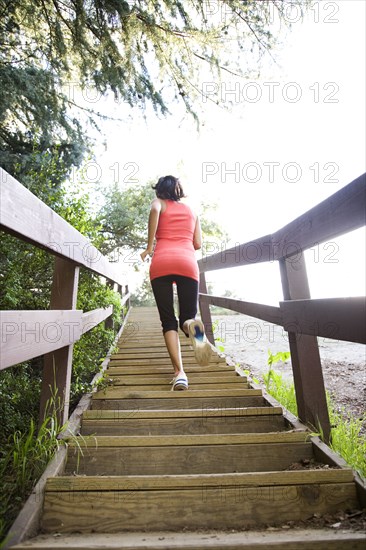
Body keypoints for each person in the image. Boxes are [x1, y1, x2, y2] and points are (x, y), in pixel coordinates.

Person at [140, 175, 212, 390]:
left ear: (159, 190)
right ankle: (192, 327)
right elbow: (197, 244)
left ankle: (180, 373)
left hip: (162, 263)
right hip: (187, 264)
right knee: (186, 317)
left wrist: (149, 246)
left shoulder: (158, 203)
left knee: (168, 320)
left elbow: (154, 211)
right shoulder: (192, 211)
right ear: (179, 191)